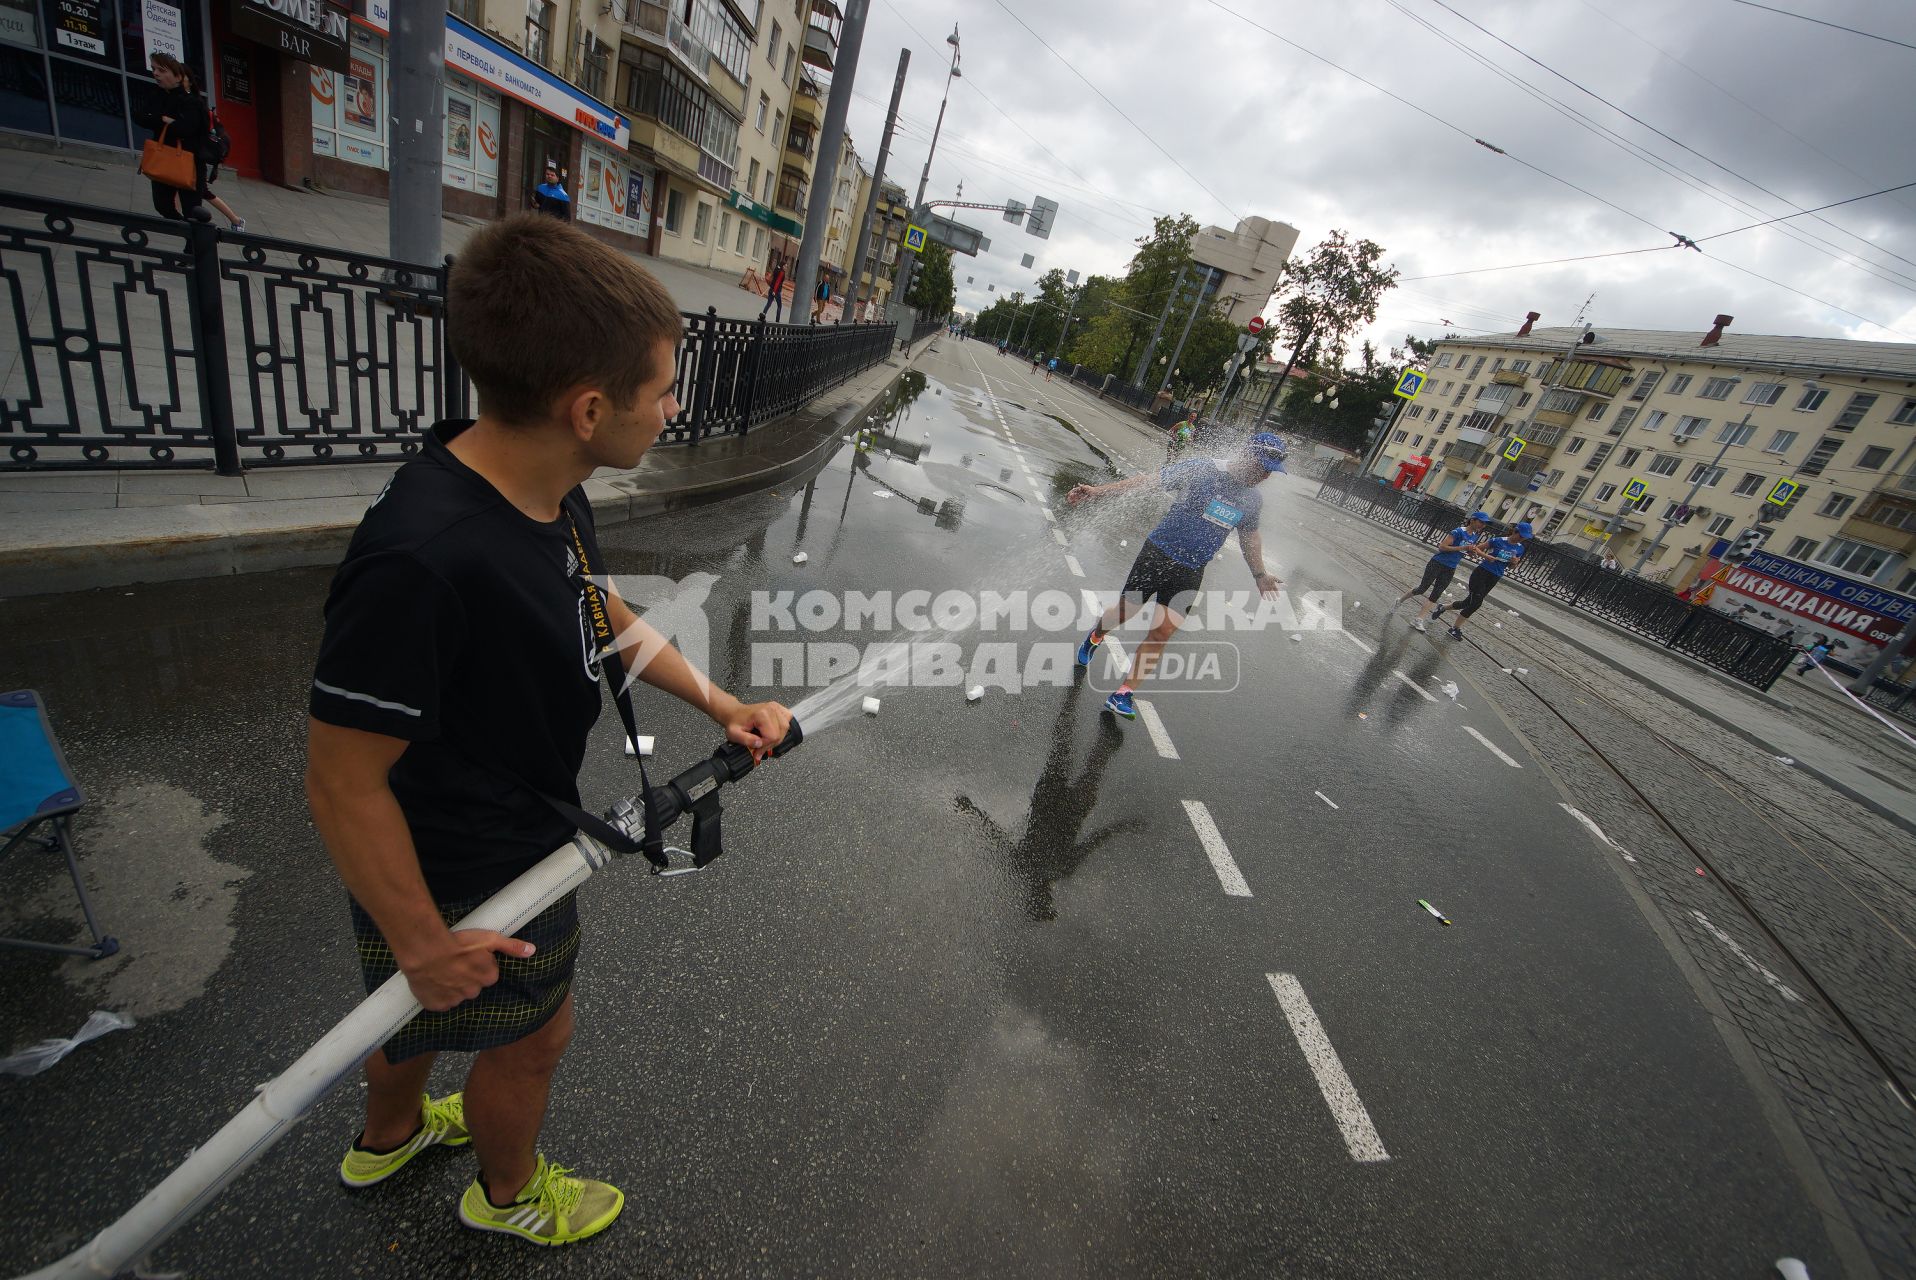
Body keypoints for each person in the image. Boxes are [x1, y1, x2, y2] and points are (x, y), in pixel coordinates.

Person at [306, 213, 791, 1247]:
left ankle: (385, 1138)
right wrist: (422, 937)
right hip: (469, 859)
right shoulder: (423, 554)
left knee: (404, 1008)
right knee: (529, 1036)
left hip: (466, 841)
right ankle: (510, 1195)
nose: (672, 407)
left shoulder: (540, 487)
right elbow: (341, 780)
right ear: (586, 408)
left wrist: (718, 702)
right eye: (661, 388)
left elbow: (592, 606)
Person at [1066, 433, 1288, 720]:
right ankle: (1096, 636)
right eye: (1263, 467)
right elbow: (1148, 482)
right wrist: (1098, 491)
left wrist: (1260, 574)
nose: (1266, 476)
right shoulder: (1203, 468)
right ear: (1247, 455)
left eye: (1271, 471)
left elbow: (1249, 536)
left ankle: (1123, 693)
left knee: (1163, 631)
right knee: (1125, 612)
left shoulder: (1253, 500)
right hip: (1157, 554)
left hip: (1192, 569)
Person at [133, 54, 208, 223]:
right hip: (163, 158)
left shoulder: (192, 102)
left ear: (178, 76)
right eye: (153, 69)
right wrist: (163, 120)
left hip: (190, 162)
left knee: (193, 211)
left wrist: (167, 123)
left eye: (161, 70)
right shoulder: (156, 96)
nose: (156, 74)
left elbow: (188, 128)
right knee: (162, 205)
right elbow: (140, 116)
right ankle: (185, 229)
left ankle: (193, 246)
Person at [1432, 520, 1532, 639]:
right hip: (1482, 573)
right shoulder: (1498, 541)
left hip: (1495, 576)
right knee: (1476, 603)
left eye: (1525, 538)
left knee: (1468, 602)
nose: (1522, 539)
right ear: (1515, 532)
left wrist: (1514, 563)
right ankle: (1455, 628)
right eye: (1521, 536)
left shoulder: (1520, 548)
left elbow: (1512, 566)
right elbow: (1476, 549)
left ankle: (1442, 607)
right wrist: (1486, 556)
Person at [1398, 511, 1486, 632]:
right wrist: (1463, 548)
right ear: (1473, 520)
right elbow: (1442, 547)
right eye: (1481, 522)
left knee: (1436, 594)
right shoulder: (1458, 531)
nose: (1482, 525)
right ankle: (1400, 600)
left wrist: (1471, 552)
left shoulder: (1474, 536)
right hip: (1437, 563)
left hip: (1450, 568)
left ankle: (1418, 619)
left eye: (1484, 523)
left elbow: (1464, 551)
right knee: (1422, 589)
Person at [181, 64, 244, 230]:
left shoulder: (195, 104)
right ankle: (235, 220)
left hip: (194, 158)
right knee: (188, 189)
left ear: (189, 81)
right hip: (184, 157)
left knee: (202, 192)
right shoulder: (181, 101)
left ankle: (236, 220)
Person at [760, 258, 787, 322]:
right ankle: (777, 321)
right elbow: (777, 282)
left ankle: (762, 316)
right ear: (782, 266)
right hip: (776, 291)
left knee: (769, 304)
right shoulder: (781, 272)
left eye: (786, 266)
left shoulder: (777, 269)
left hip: (771, 289)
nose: (786, 267)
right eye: (785, 266)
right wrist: (775, 291)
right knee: (779, 306)